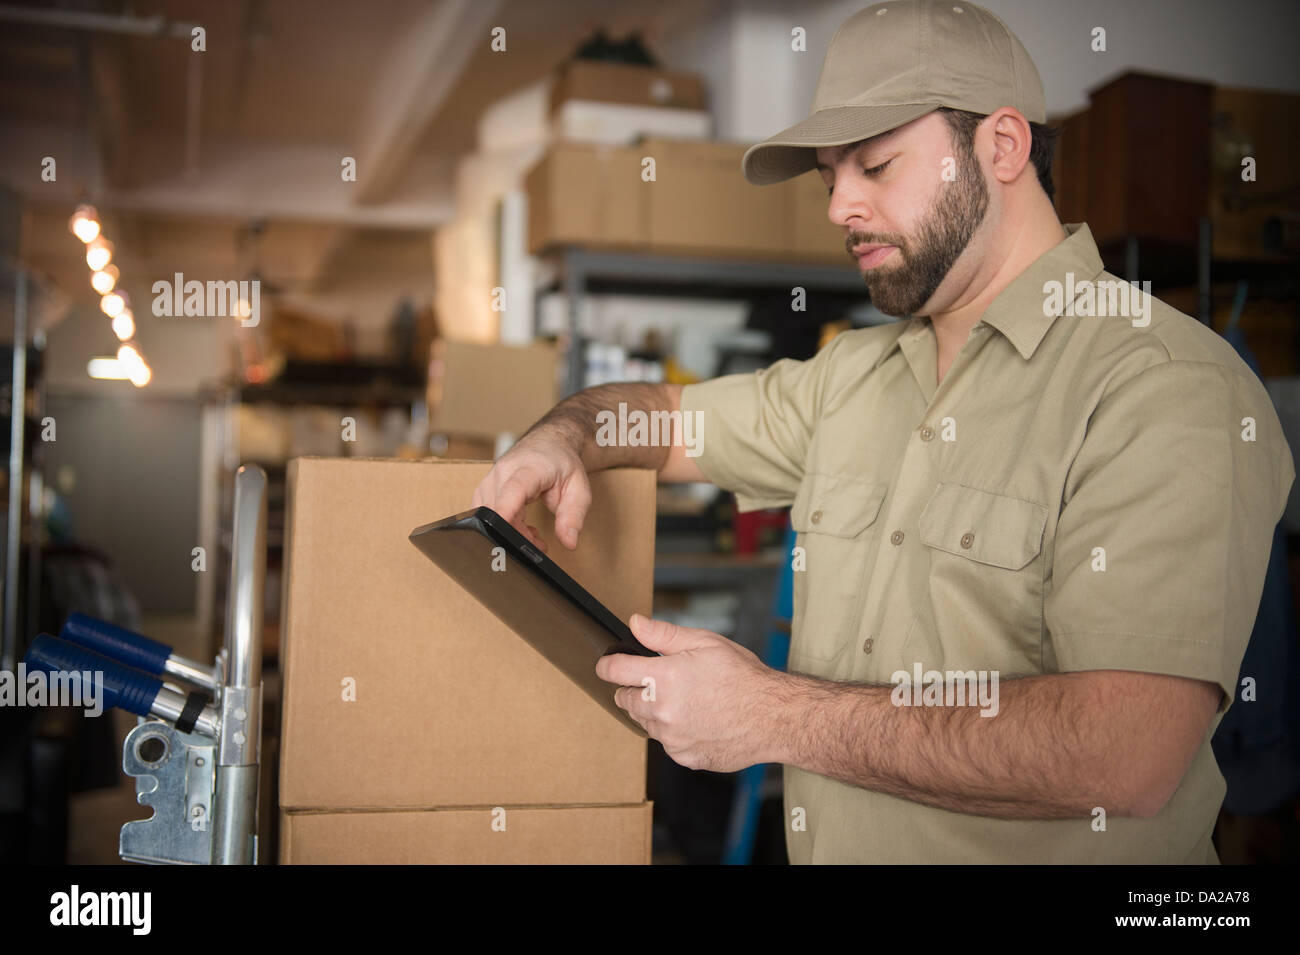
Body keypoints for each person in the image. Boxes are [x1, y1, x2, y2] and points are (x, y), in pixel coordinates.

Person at [473, 0, 1295, 863]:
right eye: (831, 177)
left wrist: (767, 714)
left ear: (1002, 147)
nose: (839, 207)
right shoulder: (849, 376)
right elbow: (662, 420)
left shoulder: (1165, 386)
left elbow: (1124, 749)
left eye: (876, 165)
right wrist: (564, 434)